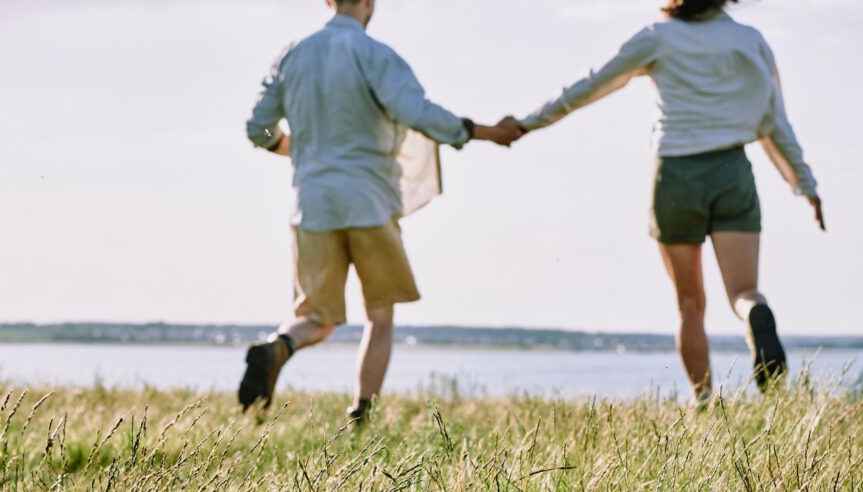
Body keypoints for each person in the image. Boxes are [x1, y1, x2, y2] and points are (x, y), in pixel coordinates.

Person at [509, 0, 824, 401]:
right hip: (733, 171)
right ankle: (754, 315)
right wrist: (805, 184)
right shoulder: (750, 41)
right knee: (744, 291)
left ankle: (706, 403)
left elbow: (591, 84)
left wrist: (528, 123)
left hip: (677, 174)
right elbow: (775, 120)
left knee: (690, 303)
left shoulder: (659, 38)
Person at [241, 0, 521, 421]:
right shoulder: (377, 56)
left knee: (317, 317)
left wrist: (283, 144)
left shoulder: (293, 55)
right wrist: (487, 133)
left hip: (312, 205)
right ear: (370, 3)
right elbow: (419, 114)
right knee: (380, 314)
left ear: (327, 1)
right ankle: (361, 413)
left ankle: (277, 346)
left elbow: (257, 126)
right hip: (369, 201)